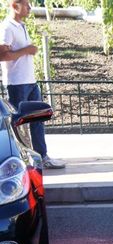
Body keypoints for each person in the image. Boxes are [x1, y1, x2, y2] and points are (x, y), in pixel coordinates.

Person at [0, 0, 65, 169]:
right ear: (15, 6)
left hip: (30, 81)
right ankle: (21, 161)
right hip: (16, 83)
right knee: (19, 124)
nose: (29, 7)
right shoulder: (7, 27)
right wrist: (26, 50)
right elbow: (2, 55)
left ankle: (42, 157)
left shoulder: (21, 25)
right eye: (26, 4)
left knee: (38, 119)